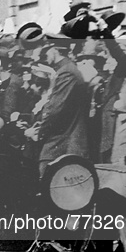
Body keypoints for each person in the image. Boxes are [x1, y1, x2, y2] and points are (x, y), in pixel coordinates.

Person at [38, 41, 90, 176]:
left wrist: (40, 132)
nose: (44, 56)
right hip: (64, 139)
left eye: (46, 51)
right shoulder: (65, 69)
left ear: (55, 49)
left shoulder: (66, 72)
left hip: (64, 142)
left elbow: (55, 108)